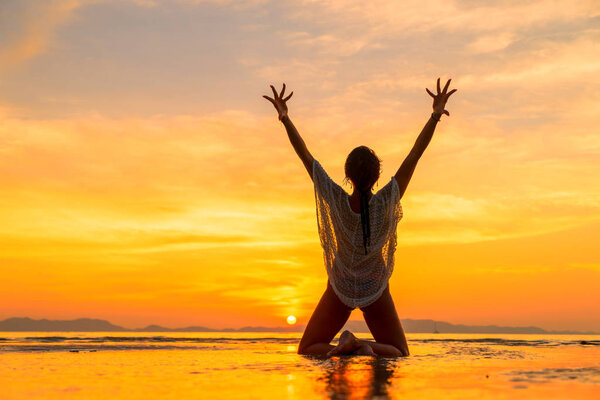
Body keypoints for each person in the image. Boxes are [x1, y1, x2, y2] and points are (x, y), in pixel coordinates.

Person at [262, 78, 457, 357]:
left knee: (308, 348)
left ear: (348, 174)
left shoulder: (337, 200)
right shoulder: (387, 200)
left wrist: (285, 119)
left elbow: (305, 155)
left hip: (341, 281)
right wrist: (435, 116)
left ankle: (346, 346)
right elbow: (415, 154)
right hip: (374, 283)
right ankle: (363, 346)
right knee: (399, 350)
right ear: (377, 176)